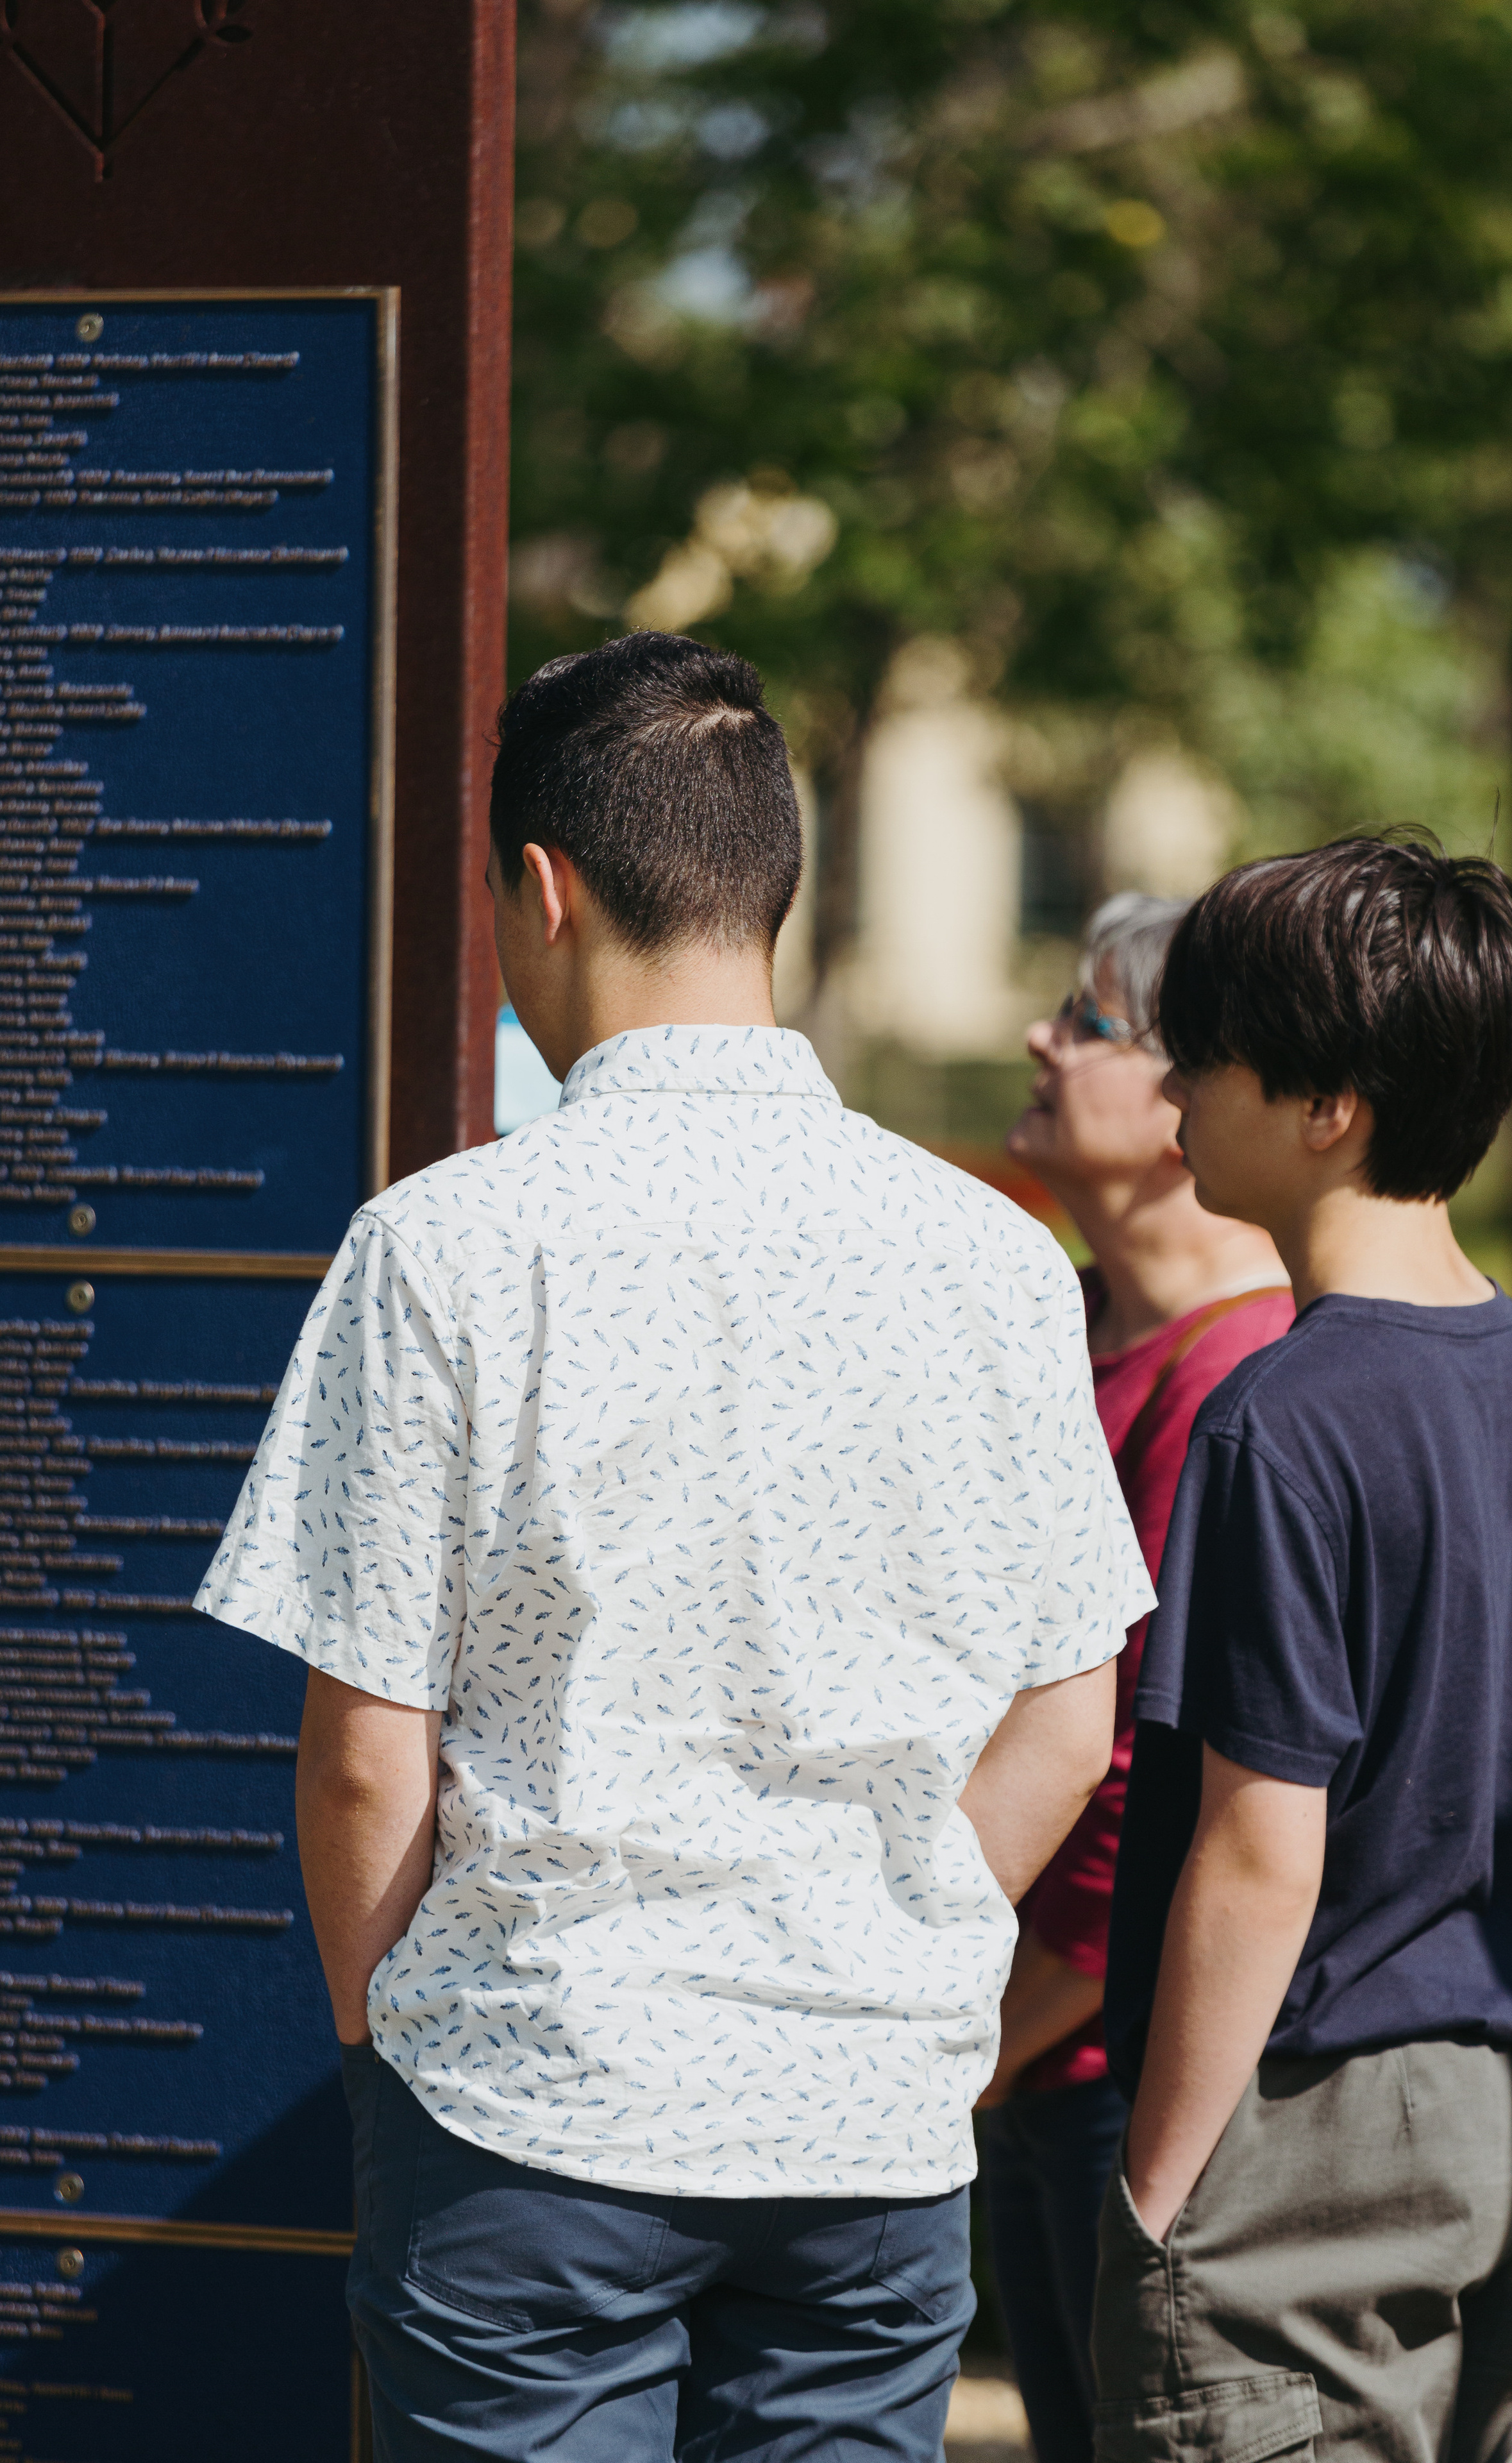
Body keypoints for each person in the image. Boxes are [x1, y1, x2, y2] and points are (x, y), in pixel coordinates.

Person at [196, 631, 1154, 2463]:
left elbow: (363, 1753)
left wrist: (389, 2043)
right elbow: (1067, 1712)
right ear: (766, 888)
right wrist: (875, 1939)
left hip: (534, 2100)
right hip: (868, 2121)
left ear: (541, 888)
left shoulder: (443, 1248)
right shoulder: (995, 1260)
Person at [1093, 836, 1512, 2463]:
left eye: (1207, 1051)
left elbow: (1260, 1849)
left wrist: (1152, 2193)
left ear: (1327, 1105)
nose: (1173, 1085)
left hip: (1310, 2119)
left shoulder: (1281, 1420)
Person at [977, 893, 1291, 2463]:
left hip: (1117, 2078)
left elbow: (1137, 1803)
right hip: (1037, 2060)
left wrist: (978, 2047)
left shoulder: (1237, 1378)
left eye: (1088, 1022)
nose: (1039, 1039)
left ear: (1194, 1092)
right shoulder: (1070, 1330)